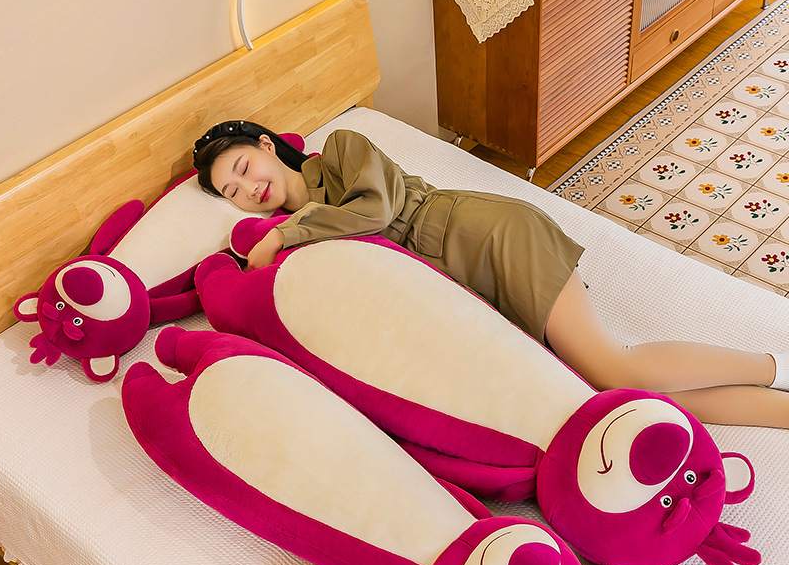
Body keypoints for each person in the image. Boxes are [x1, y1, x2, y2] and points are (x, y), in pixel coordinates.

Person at [193, 120, 789, 429]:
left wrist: (283, 234)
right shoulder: (296, 249)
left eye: (243, 167)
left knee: (614, 368)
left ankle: (773, 366)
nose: (248, 189)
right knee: (612, 395)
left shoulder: (342, 151)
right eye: (232, 192)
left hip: (485, 235)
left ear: (268, 145)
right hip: (470, 288)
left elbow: (375, 211)